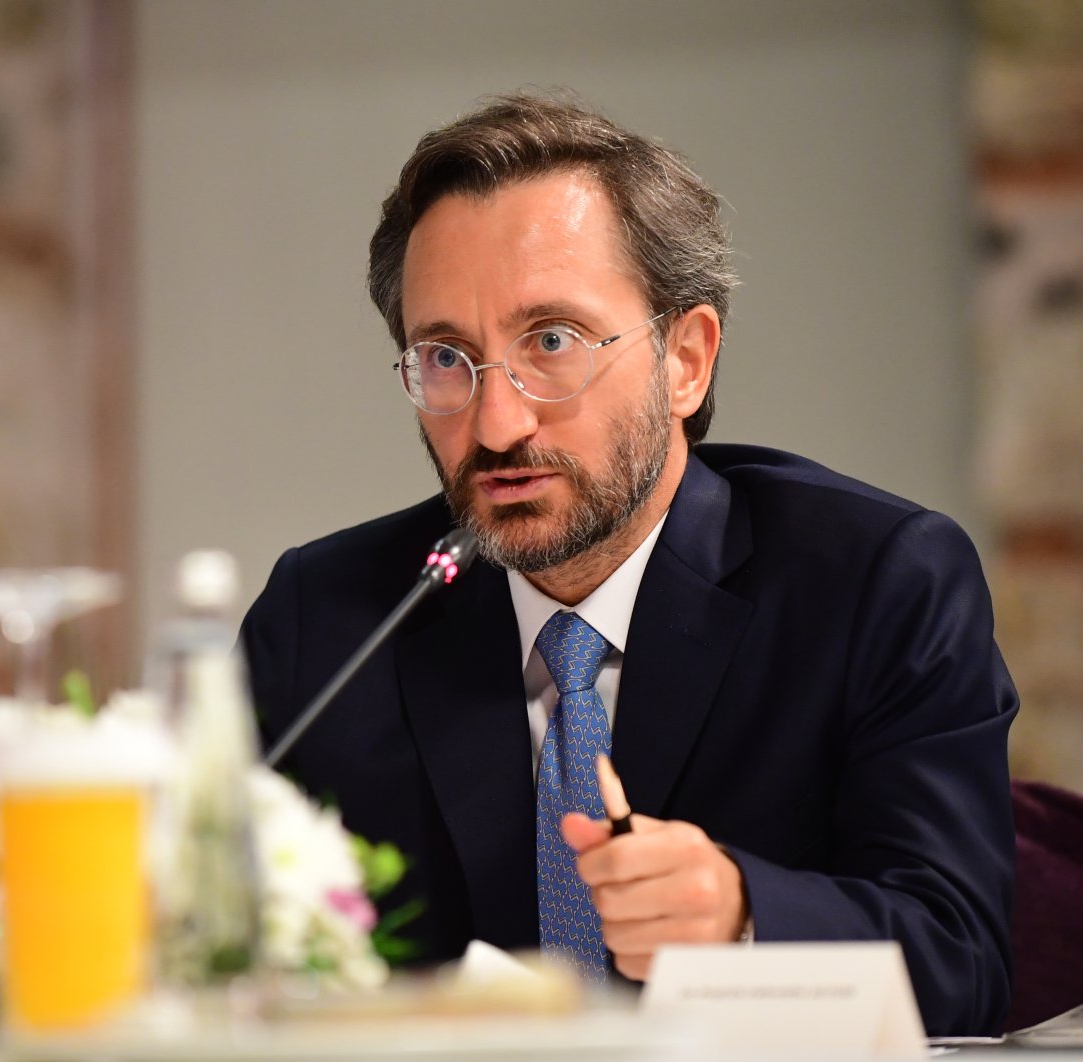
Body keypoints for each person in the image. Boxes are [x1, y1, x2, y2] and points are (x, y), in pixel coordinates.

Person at [240, 93, 1017, 1036]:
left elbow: (962, 962)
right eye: (445, 358)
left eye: (551, 342)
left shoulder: (875, 585)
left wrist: (741, 915)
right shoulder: (329, 622)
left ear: (685, 360)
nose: (498, 424)